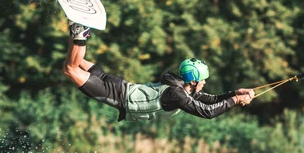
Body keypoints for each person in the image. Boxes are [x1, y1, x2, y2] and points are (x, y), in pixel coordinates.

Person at [63, 22, 254, 121]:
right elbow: (207, 112)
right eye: (202, 80)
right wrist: (236, 101)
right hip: (114, 93)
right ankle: (80, 35)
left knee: (74, 63)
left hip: (117, 83)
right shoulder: (176, 94)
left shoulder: (180, 89)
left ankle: (76, 29)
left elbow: (211, 100)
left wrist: (234, 94)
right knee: (71, 68)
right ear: (194, 81)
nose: (204, 83)